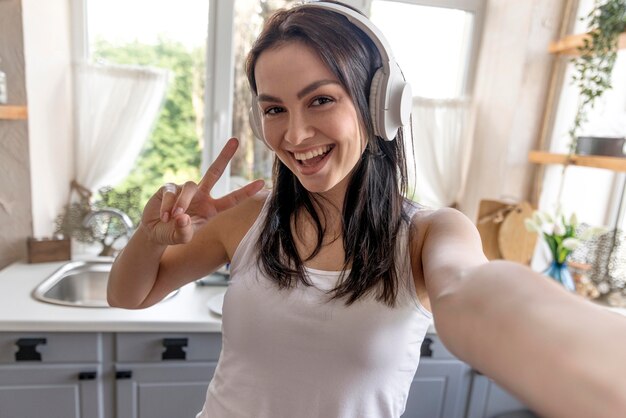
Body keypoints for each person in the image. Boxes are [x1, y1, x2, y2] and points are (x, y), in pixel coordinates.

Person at [108, 2, 626, 417]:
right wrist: (150, 239)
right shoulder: (249, 218)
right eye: (274, 109)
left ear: (381, 105)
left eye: (320, 100)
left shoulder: (429, 234)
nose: (294, 134)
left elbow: (470, 291)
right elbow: (128, 296)